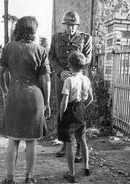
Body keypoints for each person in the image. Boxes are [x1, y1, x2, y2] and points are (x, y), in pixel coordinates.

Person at [0, 16, 51, 184]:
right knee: (31, 140)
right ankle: (29, 178)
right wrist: (47, 102)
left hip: (14, 96)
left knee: (13, 140)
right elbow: (45, 80)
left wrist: (5, 91)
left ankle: (10, 178)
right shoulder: (41, 51)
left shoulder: (8, 48)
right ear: (34, 31)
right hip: (34, 98)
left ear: (18, 29)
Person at [49, 10, 92, 161]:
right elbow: (51, 57)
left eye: (74, 25)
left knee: (77, 111)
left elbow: (87, 58)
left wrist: (76, 72)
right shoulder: (56, 38)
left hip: (78, 79)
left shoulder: (85, 38)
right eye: (68, 25)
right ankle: (64, 143)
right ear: (64, 24)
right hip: (61, 79)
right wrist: (60, 72)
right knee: (63, 110)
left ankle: (79, 148)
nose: (71, 28)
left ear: (77, 25)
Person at [58, 51, 93, 183]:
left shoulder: (69, 80)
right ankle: (86, 167)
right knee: (82, 139)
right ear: (83, 66)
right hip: (81, 110)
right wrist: (83, 107)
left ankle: (72, 174)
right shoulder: (86, 79)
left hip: (70, 112)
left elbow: (64, 101)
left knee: (69, 143)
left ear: (69, 65)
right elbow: (91, 98)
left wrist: (61, 116)